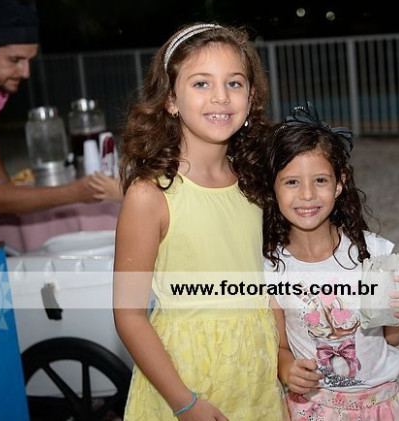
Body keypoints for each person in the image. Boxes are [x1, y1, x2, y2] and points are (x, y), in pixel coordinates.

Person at [113, 23, 288, 421]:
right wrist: (185, 402)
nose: (221, 97)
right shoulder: (150, 196)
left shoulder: (254, 183)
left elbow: (265, 282)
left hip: (255, 377)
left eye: (234, 83)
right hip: (183, 380)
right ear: (171, 99)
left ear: (251, 97)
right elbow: (128, 315)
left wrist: (282, 354)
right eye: (201, 83)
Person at [263, 102, 399, 420]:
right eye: (292, 182)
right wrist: (288, 369)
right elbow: (281, 347)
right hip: (314, 409)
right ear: (272, 188)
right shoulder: (272, 269)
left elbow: (393, 337)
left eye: (320, 180)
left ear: (339, 183)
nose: (307, 194)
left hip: (381, 406)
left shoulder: (374, 254)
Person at [0, 0, 99, 213]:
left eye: (29, 61)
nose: (25, 72)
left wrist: (6, 188)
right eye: (14, 60)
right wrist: (75, 193)